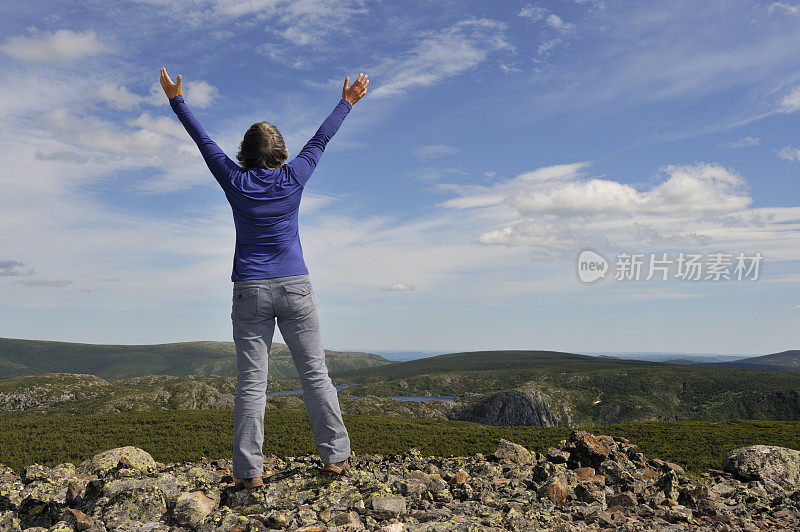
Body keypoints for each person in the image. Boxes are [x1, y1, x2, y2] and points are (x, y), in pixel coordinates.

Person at [160, 67, 369, 489]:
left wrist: (176, 100)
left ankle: (249, 473)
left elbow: (204, 142)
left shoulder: (235, 181)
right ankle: (334, 459)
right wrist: (347, 102)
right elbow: (321, 138)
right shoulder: (295, 176)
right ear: (282, 154)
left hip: (250, 291)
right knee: (315, 374)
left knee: (252, 383)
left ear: (244, 152)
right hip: (296, 286)